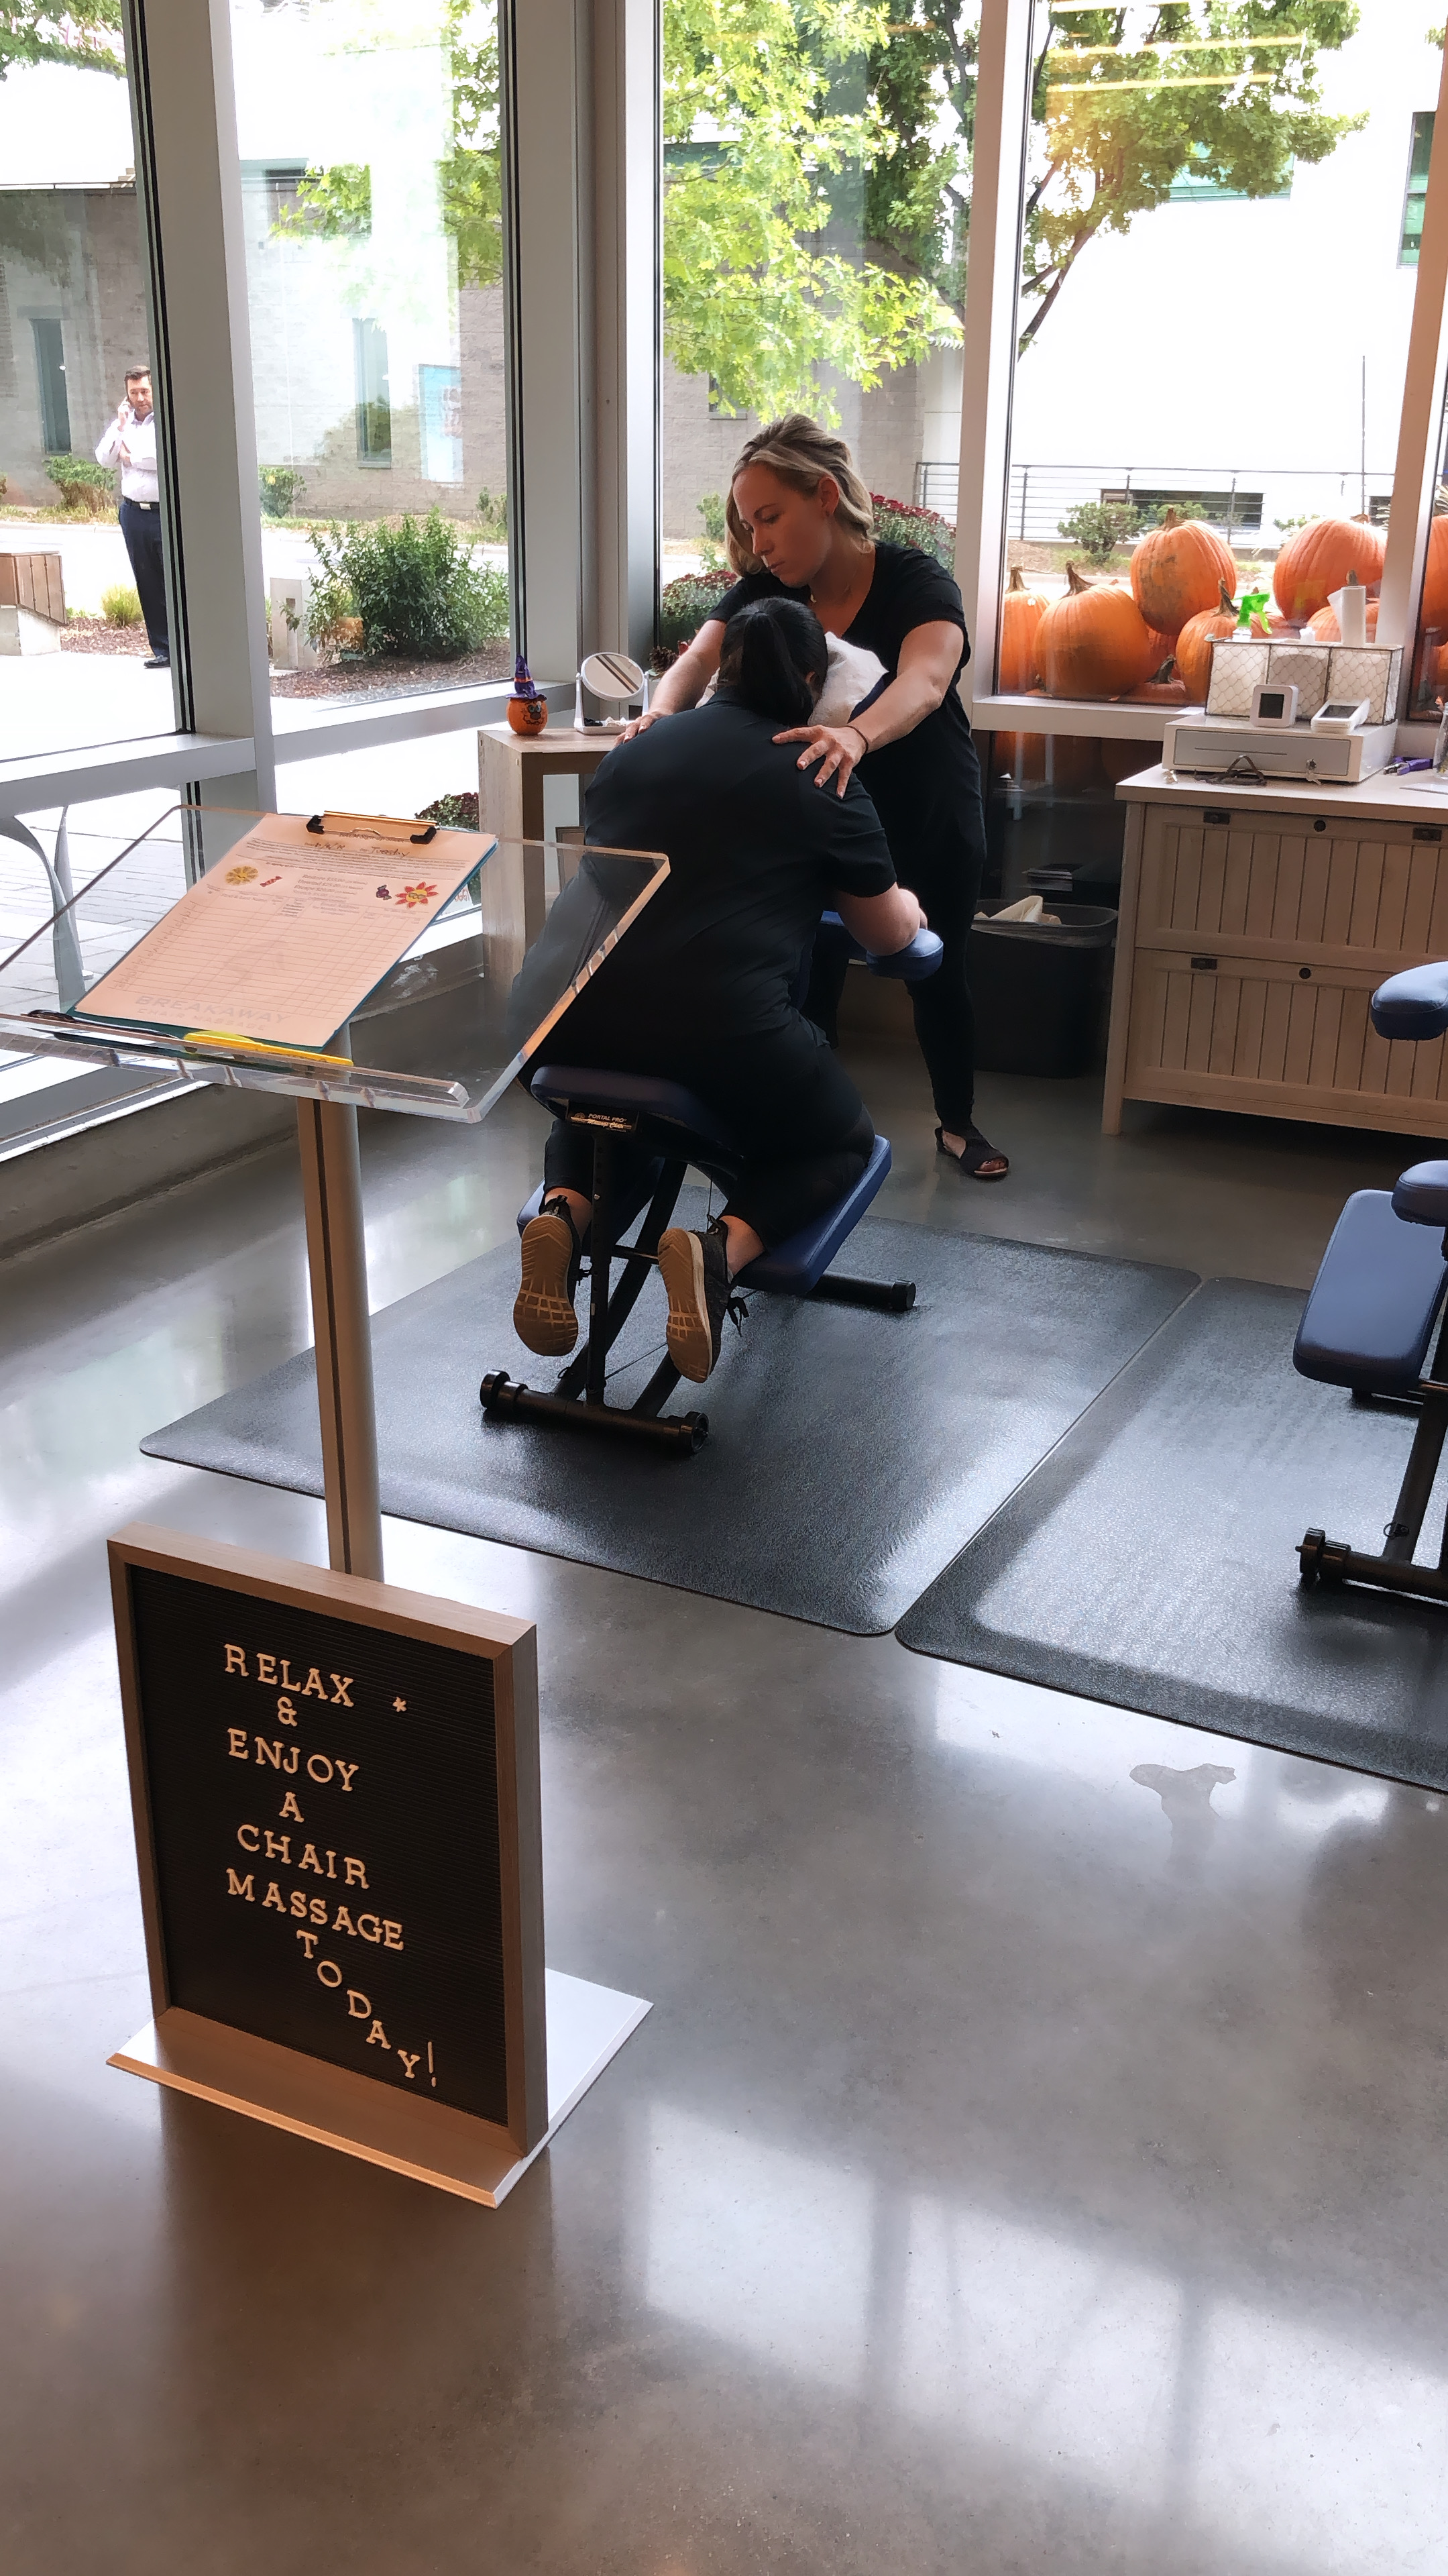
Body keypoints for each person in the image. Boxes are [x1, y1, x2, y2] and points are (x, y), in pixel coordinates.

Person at [513, 597, 925, 1384]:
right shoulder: (819, 769)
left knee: (603, 1113)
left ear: (719, 671)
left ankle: (564, 1213)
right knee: (836, 1142)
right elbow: (886, 934)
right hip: (718, 1033)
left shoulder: (634, 748)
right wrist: (909, 907)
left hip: (557, 1017)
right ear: (812, 683)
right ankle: (716, 1253)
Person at [624, 413, 1006, 1182]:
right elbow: (696, 661)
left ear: (824, 496)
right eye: (748, 525)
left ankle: (957, 1123)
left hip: (925, 806)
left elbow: (926, 680)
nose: (758, 541)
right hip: (815, 812)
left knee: (938, 970)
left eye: (769, 517)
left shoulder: (915, 581)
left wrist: (856, 736)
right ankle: (806, 1129)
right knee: (807, 970)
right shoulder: (766, 591)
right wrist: (659, 718)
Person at [95, 367, 168, 669]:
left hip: (163, 513)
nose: (140, 398)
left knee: (172, 580)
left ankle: (186, 647)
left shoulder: (164, 421)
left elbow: (161, 457)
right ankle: (163, 649)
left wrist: (130, 458)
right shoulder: (123, 424)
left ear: (154, 391)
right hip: (133, 513)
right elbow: (103, 458)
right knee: (147, 581)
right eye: (134, 393)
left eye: (145, 391)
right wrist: (121, 426)